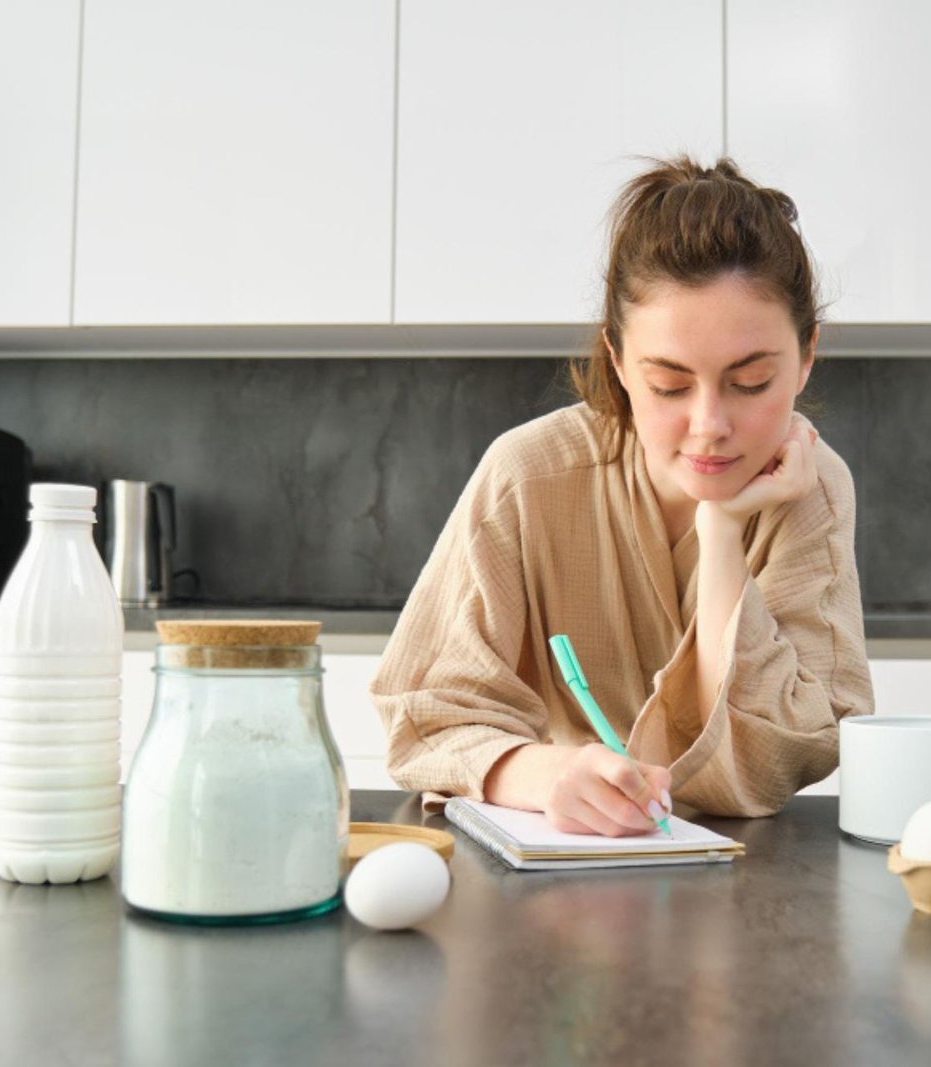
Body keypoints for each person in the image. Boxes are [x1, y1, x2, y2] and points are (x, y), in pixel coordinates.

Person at [370, 155, 873, 836]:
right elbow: (427, 715)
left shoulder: (813, 487)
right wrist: (545, 775)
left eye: (751, 381)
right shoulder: (528, 474)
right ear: (617, 360)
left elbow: (782, 755)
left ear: (807, 354)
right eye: (668, 384)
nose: (710, 426)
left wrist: (724, 531)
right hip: (553, 881)